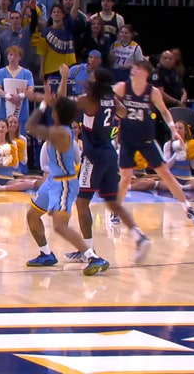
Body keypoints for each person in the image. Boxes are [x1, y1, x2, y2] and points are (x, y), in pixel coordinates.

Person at [69, 69, 151, 261]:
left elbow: (65, 103)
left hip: (93, 156)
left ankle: (88, 252)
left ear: (97, 82)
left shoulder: (90, 99)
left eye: (91, 77)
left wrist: (63, 80)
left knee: (81, 203)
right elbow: (123, 112)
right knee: (112, 202)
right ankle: (139, 236)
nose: (89, 79)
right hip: (109, 154)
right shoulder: (111, 99)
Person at [24, 97, 109, 275]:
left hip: (64, 183)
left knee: (59, 226)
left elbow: (30, 126)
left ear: (55, 113)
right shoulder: (61, 129)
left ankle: (93, 257)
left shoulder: (59, 133)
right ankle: (46, 254)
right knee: (32, 216)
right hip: (52, 181)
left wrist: (42, 104)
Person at [115, 61, 194, 225]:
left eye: (138, 68)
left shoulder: (153, 92)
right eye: (133, 68)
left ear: (146, 73)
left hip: (146, 139)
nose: (133, 70)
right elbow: (106, 98)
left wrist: (172, 128)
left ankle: (187, 208)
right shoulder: (122, 87)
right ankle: (116, 211)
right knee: (126, 178)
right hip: (127, 139)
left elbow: (164, 111)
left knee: (166, 174)